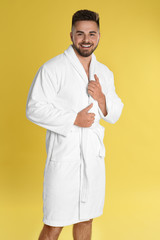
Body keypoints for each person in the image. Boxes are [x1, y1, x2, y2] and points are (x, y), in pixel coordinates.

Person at [26, 9, 124, 240]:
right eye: (80, 34)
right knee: (54, 223)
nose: (86, 39)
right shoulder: (52, 69)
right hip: (64, 158)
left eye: (92, 33)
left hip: (92, 158)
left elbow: (115, 113)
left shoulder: (104, 73)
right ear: (71, 35)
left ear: (99, 36)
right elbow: (33, 108)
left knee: (86, 219)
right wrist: (73, 119)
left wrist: (101, 98)